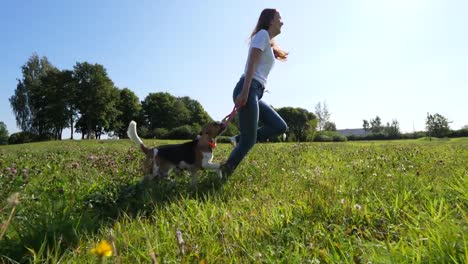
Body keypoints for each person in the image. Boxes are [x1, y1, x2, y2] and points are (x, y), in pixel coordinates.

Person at [221, 8, 288, 177]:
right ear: (271, 20)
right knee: (249, 141)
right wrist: (244, 92)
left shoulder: (267, 40)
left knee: (280, 126)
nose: (282, 21)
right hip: (248, 88)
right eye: (279, 18)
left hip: (255, 92)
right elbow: (251, 62)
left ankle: (237, 139)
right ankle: (223, 173)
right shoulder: (262, 35)